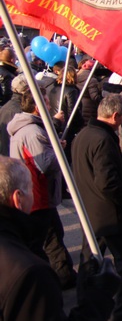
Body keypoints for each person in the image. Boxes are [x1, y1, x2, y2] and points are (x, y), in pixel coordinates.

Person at [0, 155, 121, 320]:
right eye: (31, 188)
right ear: (18, 199)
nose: (33, 195)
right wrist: (98, 298)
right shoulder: (28, 273)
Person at [72, 94, 122, 321]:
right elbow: (107, 181)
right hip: (107, 212)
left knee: (90, 259)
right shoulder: (102, 139)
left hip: (90, 209)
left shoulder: (84, 134)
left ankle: (85, 304)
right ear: (115, 116)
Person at [8, 87, 76, 288]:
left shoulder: (29, 128)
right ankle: (63, 279)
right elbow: (45, 164)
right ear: (38, 107)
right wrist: (59, 149)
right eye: (46, 102)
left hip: (35, 195)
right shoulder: (33, 131)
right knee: (52, 241)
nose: (49, 105)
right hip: (38, 196)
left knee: (49, 239)